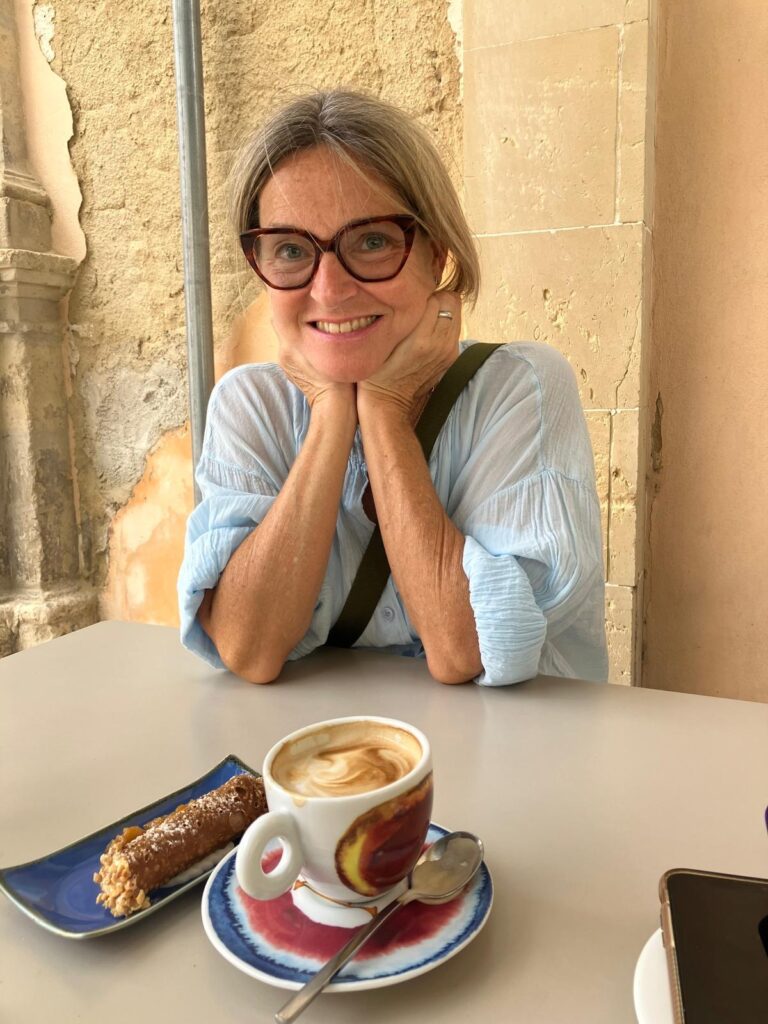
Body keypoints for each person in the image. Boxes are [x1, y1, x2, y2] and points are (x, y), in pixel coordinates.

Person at [177, 90, 608, 687]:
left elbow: (464, 648)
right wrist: (332, 415)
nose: (329, 290)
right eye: (291, 250)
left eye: (372, 241)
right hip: (336, 747)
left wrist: (384, 408)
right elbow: (247, 649)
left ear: (437, 255)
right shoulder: (249, 404)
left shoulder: (520, 387)